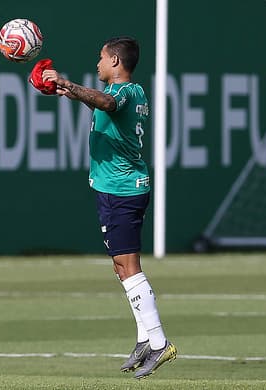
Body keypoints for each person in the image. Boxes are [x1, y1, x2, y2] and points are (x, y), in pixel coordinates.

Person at [42, 36, 176, 379]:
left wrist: (68, 83)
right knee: (121, 267)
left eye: (101, 57)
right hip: (112, 189)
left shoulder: (128, 93)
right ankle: (145, 339)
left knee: (129, 266)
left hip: (123, 190)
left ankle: (160, 343)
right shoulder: (129, 95)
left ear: (116, 62)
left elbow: (107, 103)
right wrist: (72, 94)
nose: (97, 62)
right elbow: (103, 105)